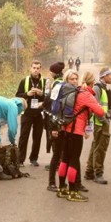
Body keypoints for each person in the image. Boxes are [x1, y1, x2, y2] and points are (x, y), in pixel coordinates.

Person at [57, 70, 105, 202]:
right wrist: (102, 107)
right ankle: (73, 191)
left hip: (66, 129)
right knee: (73, 161)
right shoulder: (86, 95)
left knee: (65, 159)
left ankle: (62, 188)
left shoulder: (74, 92)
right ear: (92, 84)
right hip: (76, 132)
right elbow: (100, 112)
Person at [85, 66, 111, 184]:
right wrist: (104, 119)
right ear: (104, 76)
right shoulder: (98, 88)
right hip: (100, 123)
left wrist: (109, 113)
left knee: (95, 146)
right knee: (100, 148)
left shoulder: (103, 88)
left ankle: (89, 171)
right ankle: (98, 174)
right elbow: (95, 106)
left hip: (102, 121)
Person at [15, 60, 46, 166]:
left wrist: (41, 94)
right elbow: (18, 95)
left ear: (40, 69)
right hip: (27, 112)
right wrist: (27, 94)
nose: (36, 70)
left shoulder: (45, 82)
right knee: (24, 136)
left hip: (39, 113)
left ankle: (34, 158)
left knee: (37, 137)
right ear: (30, 68)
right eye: (34, 68)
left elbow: (49, 98)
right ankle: (20, 159)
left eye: (38, 68)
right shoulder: (25, 80)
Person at [44, 61, 66, 192]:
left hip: (54, 121)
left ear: (54, 73)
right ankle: (57, 182)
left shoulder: (56, 84)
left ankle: (54, 182)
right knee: (59, 153)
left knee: (57, 152)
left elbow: (52, 104)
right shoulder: (61, 82)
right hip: (58, 122)